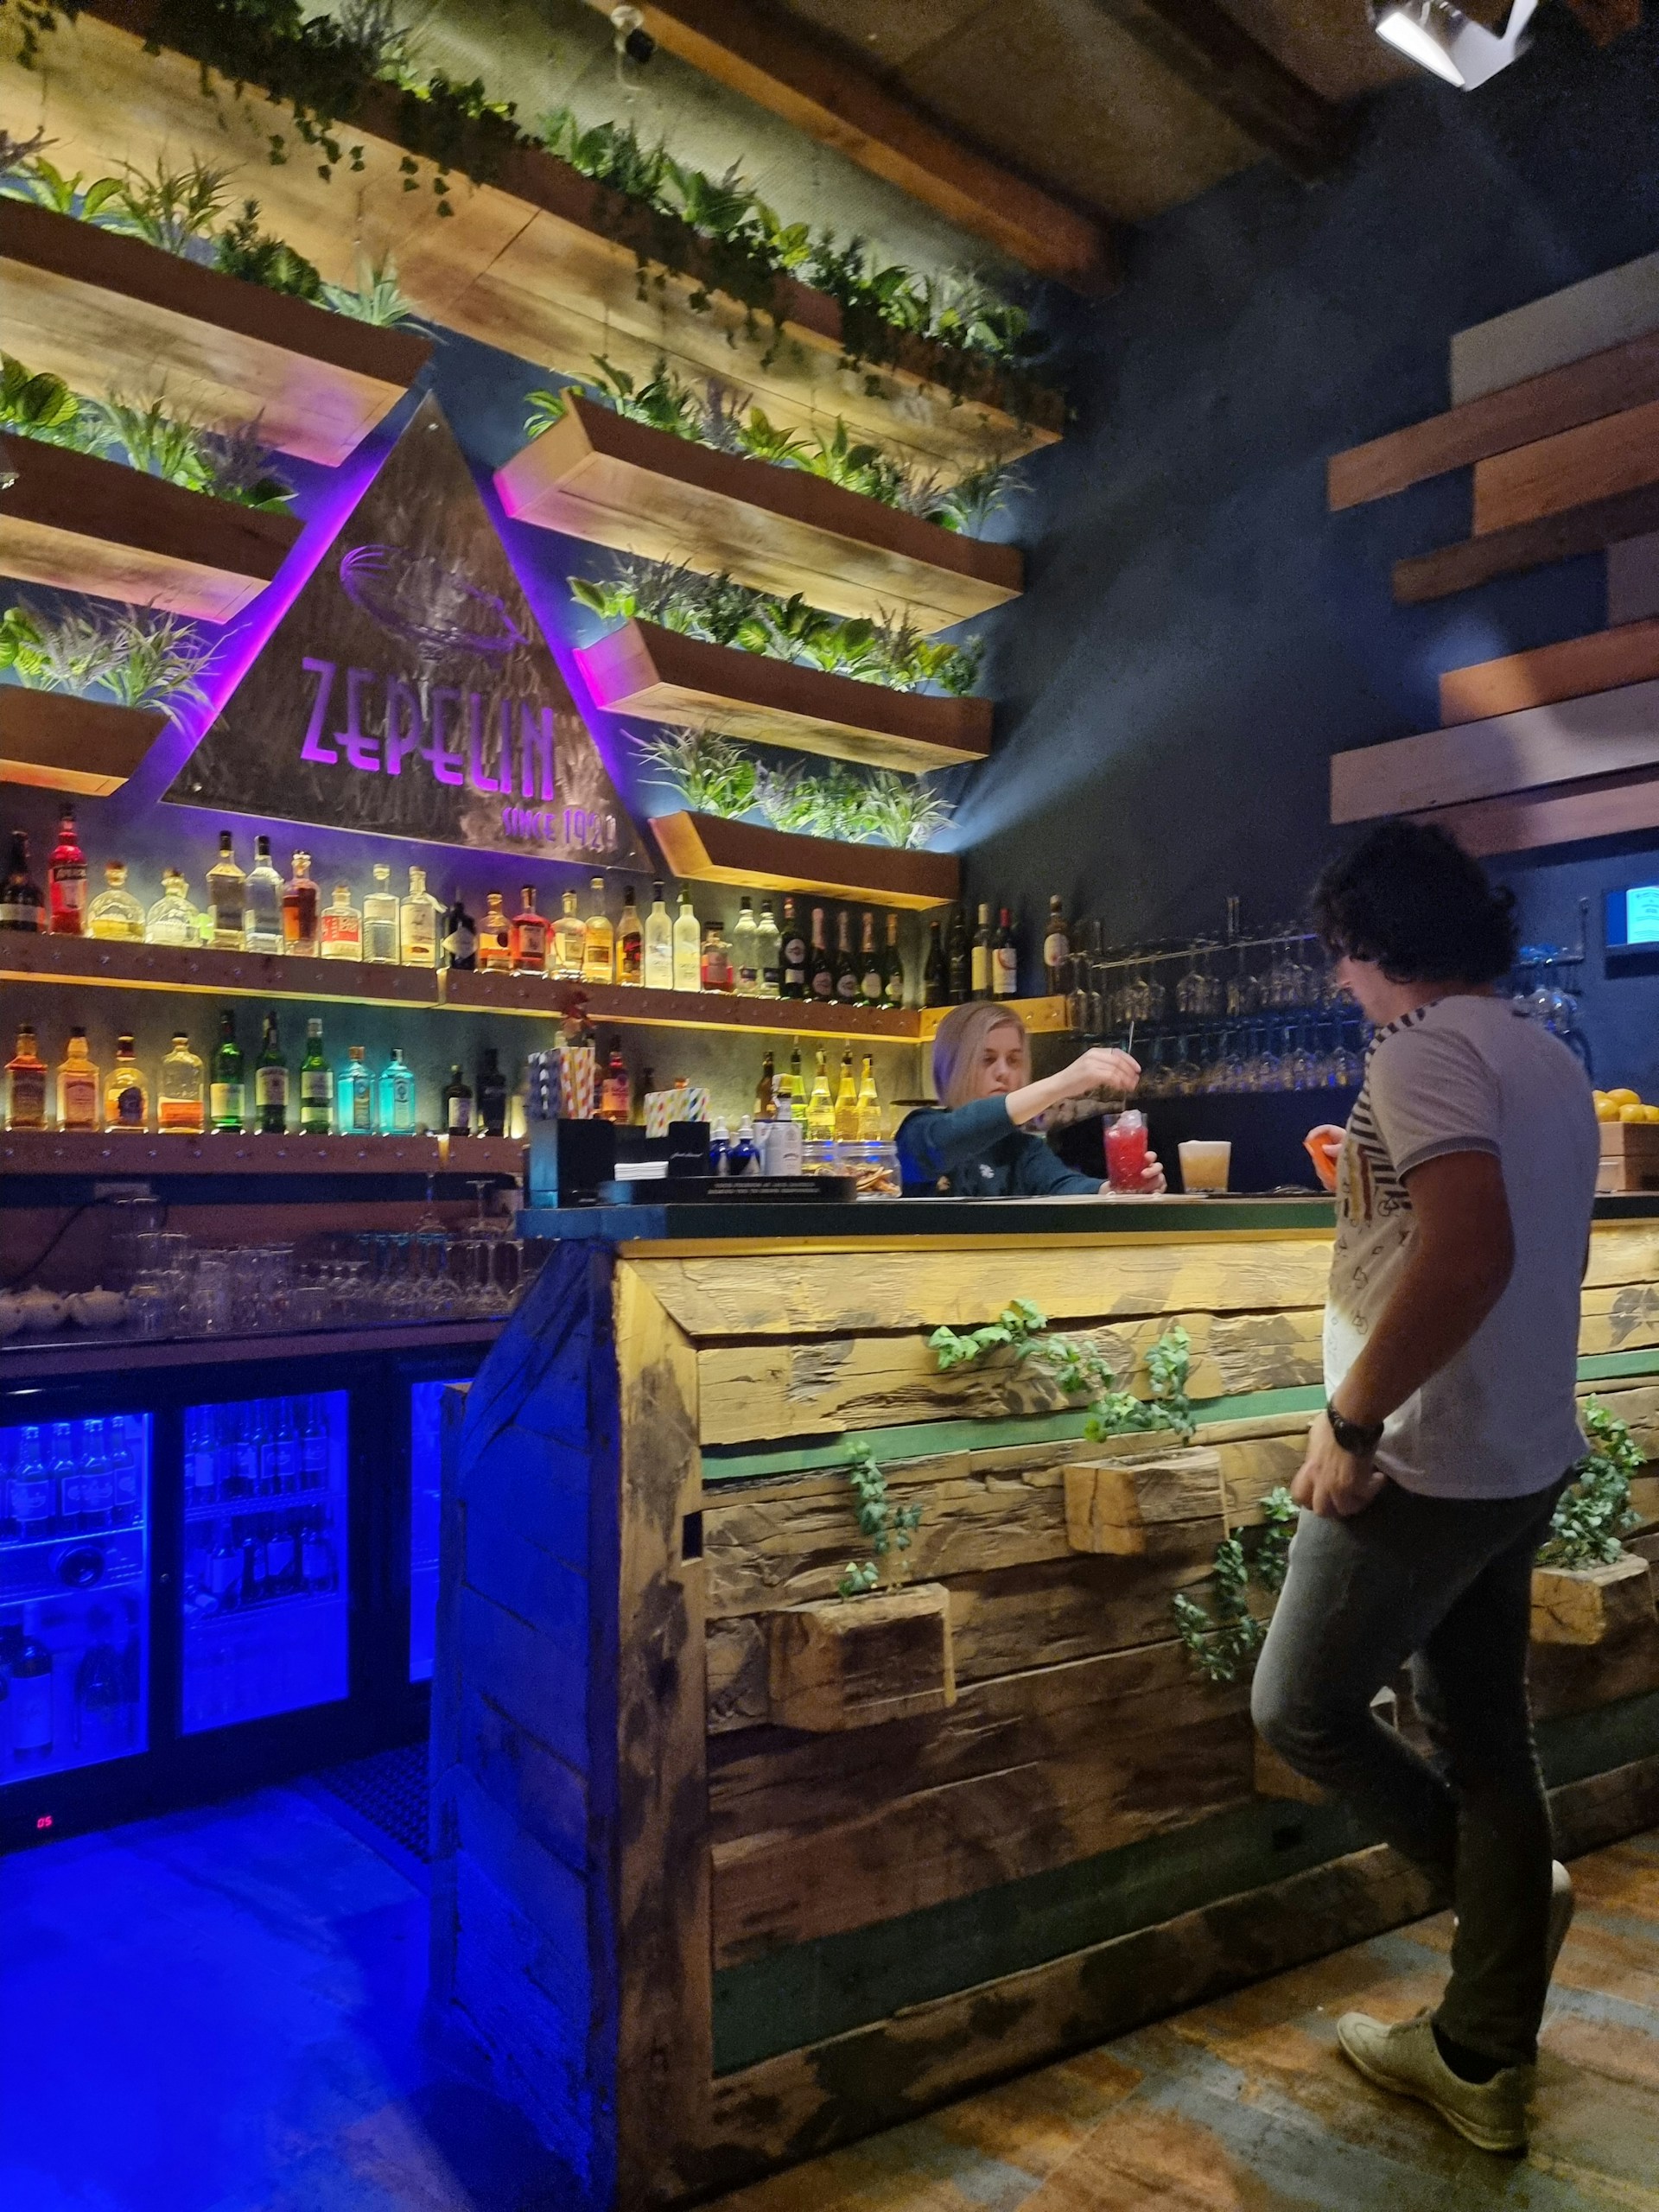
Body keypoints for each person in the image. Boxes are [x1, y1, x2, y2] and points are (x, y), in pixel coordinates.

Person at [1252, 820, 1599, 2155]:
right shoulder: (1539, 1054)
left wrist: (1349, 1419)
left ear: (1368, 944)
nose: (1341, 981)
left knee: (1301, 1705)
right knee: (1489, 1741)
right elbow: (1482, 1230)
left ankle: (1503, 1911)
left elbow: (1469, 1256)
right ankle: (1478, 2054)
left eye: (1341, 956)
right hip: (1519, 1451)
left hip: (1428, 1455)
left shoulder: (1421, 1050)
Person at [895, 1001, 1166, 1197]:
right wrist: (1061, 1083)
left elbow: (1064, 1185)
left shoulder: (1022, 1149)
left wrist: (1116, 1191)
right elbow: (954, 1135)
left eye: (1014, 1060)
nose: (1003, 1072)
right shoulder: (920, 1131)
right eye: (987, 1059)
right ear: (951, 1066)